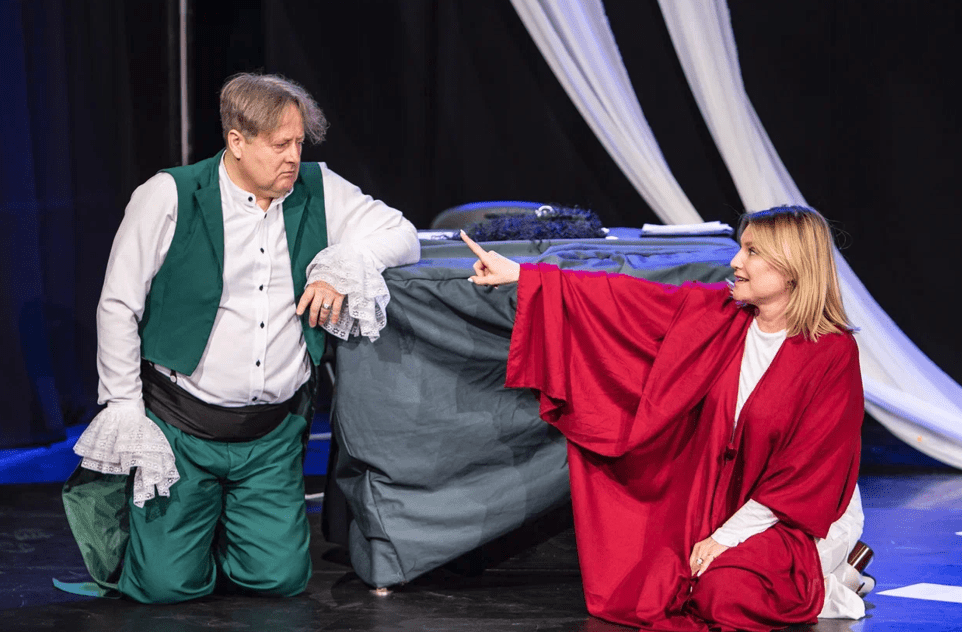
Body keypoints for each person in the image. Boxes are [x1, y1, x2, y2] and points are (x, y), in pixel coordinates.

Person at [62, 72, 420, 604]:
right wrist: (125, 407)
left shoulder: (317, 188)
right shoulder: (170, 195)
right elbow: (117, 305)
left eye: (299, 143)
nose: (293, 157)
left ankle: (229, 532)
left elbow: (403, 233)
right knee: (164, 587)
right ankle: (186, 538)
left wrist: (343, 262)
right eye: (280, 145)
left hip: (270, 436)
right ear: (237, 141)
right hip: (183, 428)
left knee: (279, 580)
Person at [461, 206, 872, 631]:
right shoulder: (720, 315)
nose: (735, 261)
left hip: (794, 519)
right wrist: (524, 276)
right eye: (740, 248)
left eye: (752, 251)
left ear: (792, 268)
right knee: (655, 590)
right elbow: (625, 300)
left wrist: (725, 537)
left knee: (723, 594)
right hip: (714, 505)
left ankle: (830, 583)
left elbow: (805, 474)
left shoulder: (832, 353)